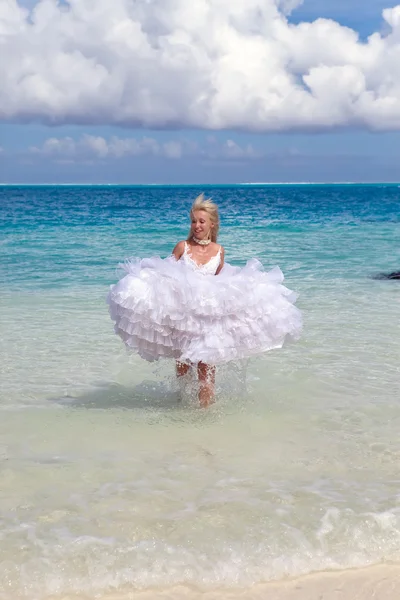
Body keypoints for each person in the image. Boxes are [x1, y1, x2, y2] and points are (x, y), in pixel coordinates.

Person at [107, 193, 302, 407]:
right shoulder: (183, 247)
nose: (196, 226)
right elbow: (164, 276)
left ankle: (205, 418)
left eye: (201, 221)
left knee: (206, 370)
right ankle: (182, 406)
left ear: (212, 224)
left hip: (208, 321)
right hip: (183, 319)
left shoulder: (219, 251)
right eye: (193, 221)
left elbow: (217, 285)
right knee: (183, 368)